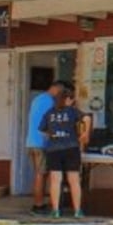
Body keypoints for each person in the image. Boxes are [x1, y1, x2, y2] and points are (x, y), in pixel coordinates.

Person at [39, 83, 89, 219]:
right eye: (71, 99)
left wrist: (54, 134)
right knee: (74, 180)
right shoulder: (72, 111)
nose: (72, 101)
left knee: (55, 180)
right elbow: (87, 118)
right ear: (67, 99)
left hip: (54, 149)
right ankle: (77, 210)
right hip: (71, 147)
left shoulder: (49, 113)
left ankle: (55, 210)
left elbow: (43, 130)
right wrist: (85, 133)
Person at [26, 80, 71, 214]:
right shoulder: (49, 102)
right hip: (42, 143)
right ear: (57, 89)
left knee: (39, 174)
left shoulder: (37, 99)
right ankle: (38, 205)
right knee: (42, 175)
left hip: (31, 141)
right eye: (63, 92)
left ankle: (39, 203)